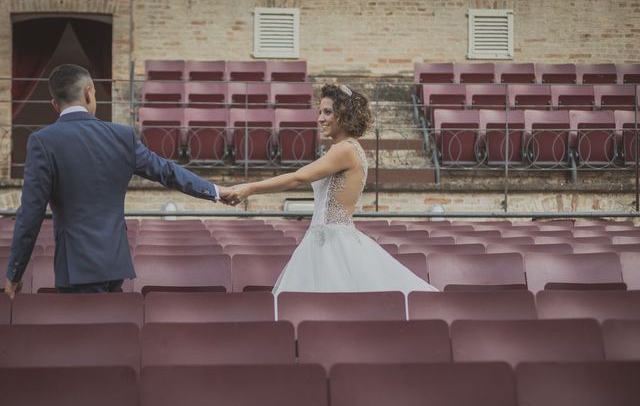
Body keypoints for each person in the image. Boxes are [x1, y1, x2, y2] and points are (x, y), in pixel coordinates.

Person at [4, 63, 232, 297]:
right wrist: (215, 191)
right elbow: (167, 172)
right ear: (89, 92)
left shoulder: (42, 141)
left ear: (54, 104)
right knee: (114, 332)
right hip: (115, 263)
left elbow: (31, 213)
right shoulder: (122, 136)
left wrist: (15, 273)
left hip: (75, 267)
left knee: (84, 334)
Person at [227, 83, 438, 295]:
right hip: (326, 239)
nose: (320, 118)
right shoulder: (344, 148)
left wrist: (249, 189)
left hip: (332, 243)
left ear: (344, 114)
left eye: (327, 112)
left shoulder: (345, 149)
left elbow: (297, 178)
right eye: (320, 112)